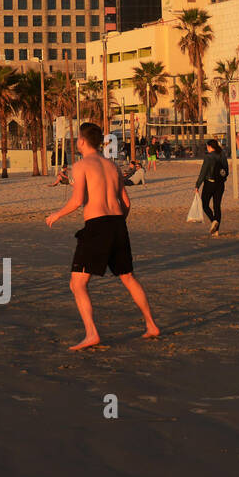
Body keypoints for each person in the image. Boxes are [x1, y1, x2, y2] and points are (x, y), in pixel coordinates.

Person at [46, 122, 159, 350]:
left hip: (97, 226)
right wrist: (116, 224)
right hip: (118, 223)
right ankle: (151, 324)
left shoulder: (81, 165)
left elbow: (77, 201)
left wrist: (56, 215)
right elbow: (126, 202)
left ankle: (91, 333)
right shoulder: (112, 166)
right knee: (127, 277)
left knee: (77, 284)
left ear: (81, 141)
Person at [195, 139, 228, 236]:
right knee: (217, 206)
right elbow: (226, 170)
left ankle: (213, 221)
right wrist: (223, 179)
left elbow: (203, 172)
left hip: (210, 183)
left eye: (207, 146)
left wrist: (197, 185)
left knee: (205, 204)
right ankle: (216, 230)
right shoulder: (222, 155)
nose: (207, 148)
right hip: (220, 184)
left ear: (210, 146)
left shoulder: (208, 157)